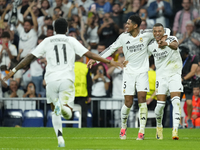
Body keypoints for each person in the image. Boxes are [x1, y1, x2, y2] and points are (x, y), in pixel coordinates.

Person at [3, 18, 123, 147]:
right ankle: (65, 107)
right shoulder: (71, 40)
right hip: (66, 79)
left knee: (55, 111)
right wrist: (110, 62)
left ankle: (60, 138)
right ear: (66, 30)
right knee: (68, 112)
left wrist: (14, 70)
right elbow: (90, 54)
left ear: (54, 30)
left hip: (51, 80)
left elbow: (30, 57)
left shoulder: (47, 41)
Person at [88, 15, 170, 140]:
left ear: (135, 25)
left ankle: (141, 131)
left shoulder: (147, 34)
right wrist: (95, 59)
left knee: (142, 98)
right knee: (128, 102)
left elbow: (167, 31)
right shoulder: (123, 37)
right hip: (128, 73)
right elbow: (110, 49)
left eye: (128, 23)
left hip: (142, 72)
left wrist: (162, 38)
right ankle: (123, 127)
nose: (126, 25)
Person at [147, 23, 183, 140]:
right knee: (160, 106)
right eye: (155, 31)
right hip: (161, 77)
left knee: (176, 102)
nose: (157, 33)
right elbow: (142, 56)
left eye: (159, 31)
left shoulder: (171, 38)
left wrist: (166, 43)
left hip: (174, 75)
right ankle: (159, 127)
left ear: (163, 32)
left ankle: (175, 130)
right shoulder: (151, 45)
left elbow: (175, 45)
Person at [180, 44, 198, 128]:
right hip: (178, 83)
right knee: (176, 103)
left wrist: (183, 79)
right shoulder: (178, 58)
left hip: (189, 83)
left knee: (189, 103)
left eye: (182, 53)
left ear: (186, 53)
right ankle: (179, 123)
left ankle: (189, 119)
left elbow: (193, 72)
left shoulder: (194, 58)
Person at [74, 54, 92, 127]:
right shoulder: (85, 67)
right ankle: (83, 127)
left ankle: (68, 127)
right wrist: (89, 95)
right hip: (83, 93)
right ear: (81, 59)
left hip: (71, 93)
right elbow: (89, 82)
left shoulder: (69, 67)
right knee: (83, 113)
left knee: (69, 112)